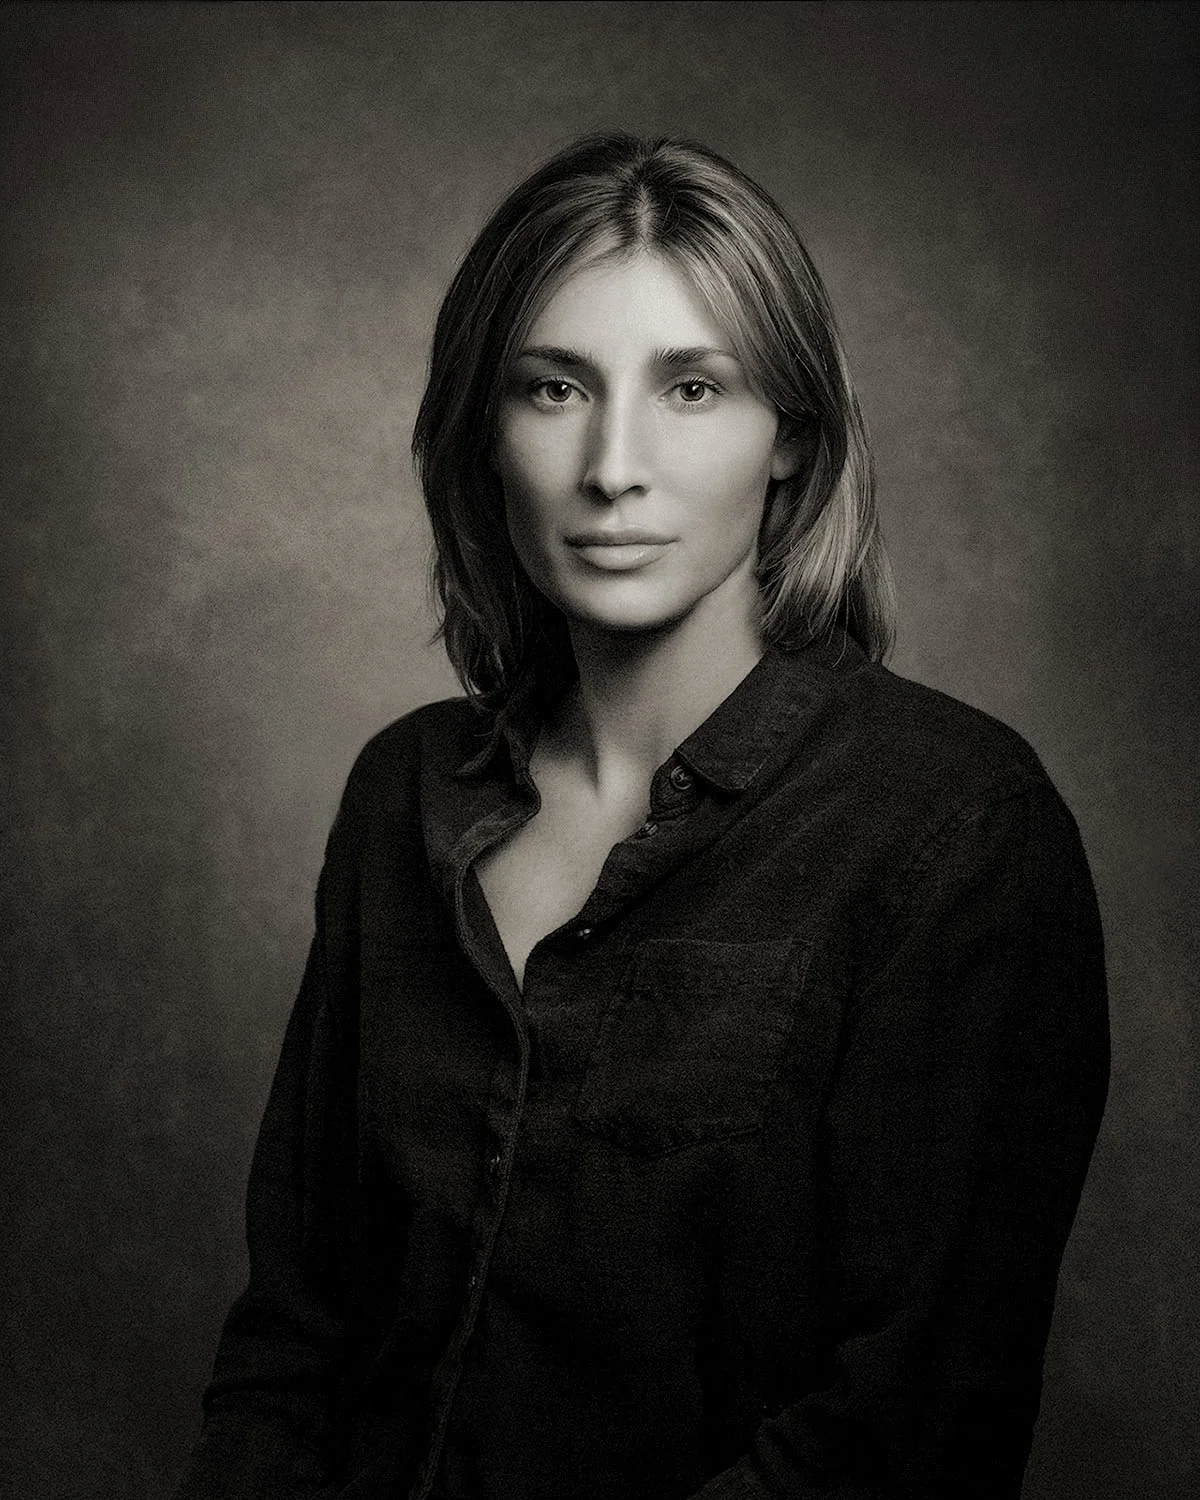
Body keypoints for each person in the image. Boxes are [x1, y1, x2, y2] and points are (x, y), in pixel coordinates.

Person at [174, 133, 1108, 1500]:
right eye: (554, 387)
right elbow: (295, 1335)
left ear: (789, 439)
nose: (615, 465)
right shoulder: (403, 795)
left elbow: (906, 1435)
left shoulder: (954, 833)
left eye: (692, 386)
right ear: (483, 432)